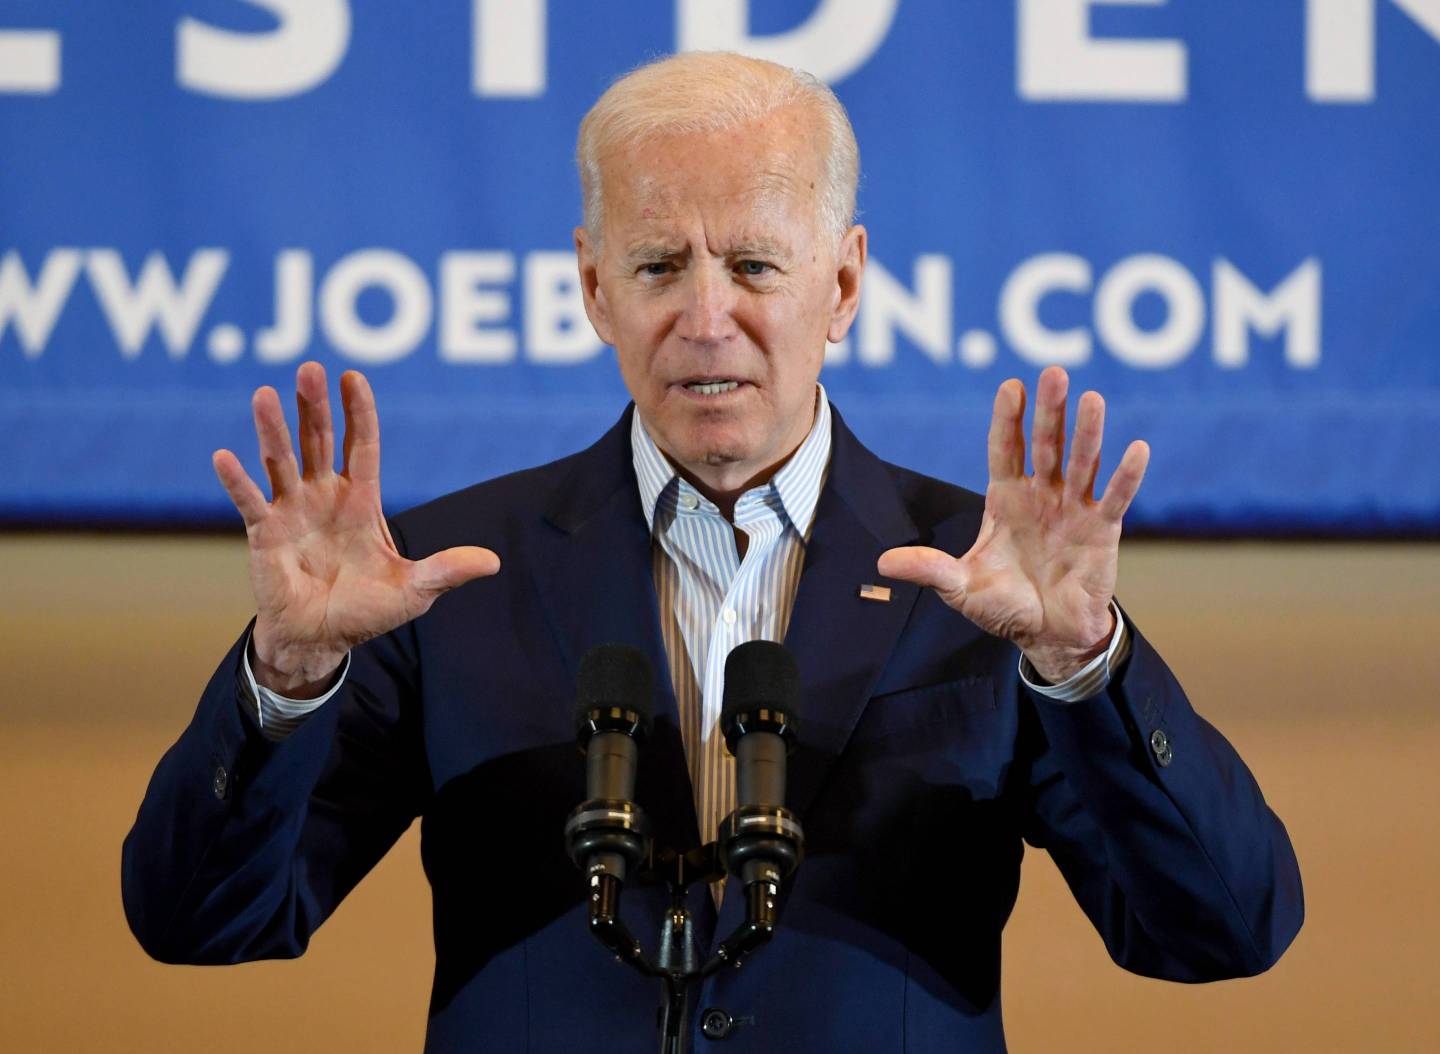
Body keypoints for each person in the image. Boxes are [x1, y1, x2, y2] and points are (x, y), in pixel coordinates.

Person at [123, 52, 1302, 1052]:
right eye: (657, 266)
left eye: (752, 266)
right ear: (595, 287)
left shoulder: (983, 579)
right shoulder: (446, 576)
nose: (703, 319)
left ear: (842, 283)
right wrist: (285, 678)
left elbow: (1224, 928)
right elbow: (199, 922)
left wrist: (1085, 663)